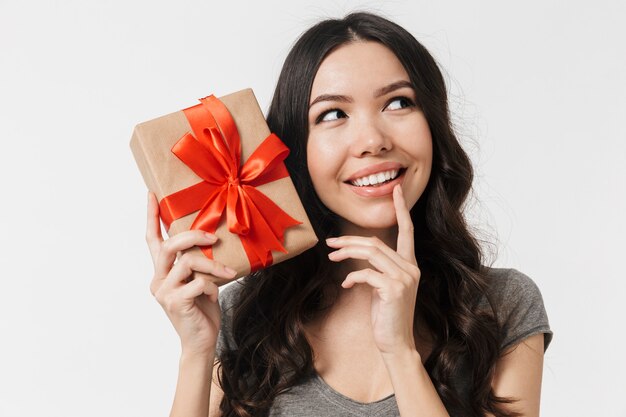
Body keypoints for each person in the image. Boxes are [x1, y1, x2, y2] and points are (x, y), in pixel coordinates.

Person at [145, 12, 552, 417]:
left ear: (434, 124)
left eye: (398, 102)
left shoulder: (502, 305)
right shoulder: (246, 315)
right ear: (295, 149)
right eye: (333, 114)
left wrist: (400, 351)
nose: (372, 142)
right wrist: (196, 352)